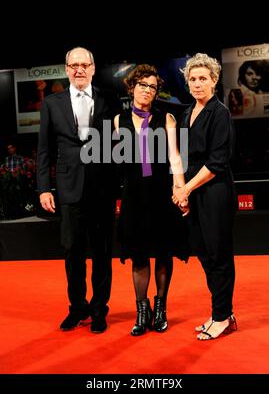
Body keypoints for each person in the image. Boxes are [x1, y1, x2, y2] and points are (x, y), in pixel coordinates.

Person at [37, 46, 116, 333]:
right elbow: (44, 150)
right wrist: (44, 188)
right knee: (72, 251)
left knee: (102, 252)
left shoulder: (109, 98)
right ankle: (77, 307)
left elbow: (119, 143)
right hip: (69, 189)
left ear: (93, 68)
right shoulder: (51, 103)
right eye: (74, 65)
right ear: (66, 69)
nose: (79, 69)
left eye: (85, 64)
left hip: (102, 188)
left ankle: (99, 310)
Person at [114, 64, 189, 336]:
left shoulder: (166, 119)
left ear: (157, 92)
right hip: (134, 195)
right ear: (132, 87)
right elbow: (115, 162)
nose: (147, 90)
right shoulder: (117, 121)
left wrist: (181, 192)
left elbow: (175, 158)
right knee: (139, 256)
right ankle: (141, 311)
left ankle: (161, 309)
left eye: (152, 87)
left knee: (163, 253)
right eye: (142, 85)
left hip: (161, 195)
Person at [172, 53, 237, 341]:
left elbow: (216, 163)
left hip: (215, 192)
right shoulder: (187, 113)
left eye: (203, 79)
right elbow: (181, 158)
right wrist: (181, 190)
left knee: (218, 255)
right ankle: (222, 312)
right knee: (203, 252)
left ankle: (222, 316)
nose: (197, 84)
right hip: (194, 193)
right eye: (193, 79)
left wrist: (186, 189)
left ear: (214, 80)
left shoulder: (219, 112)